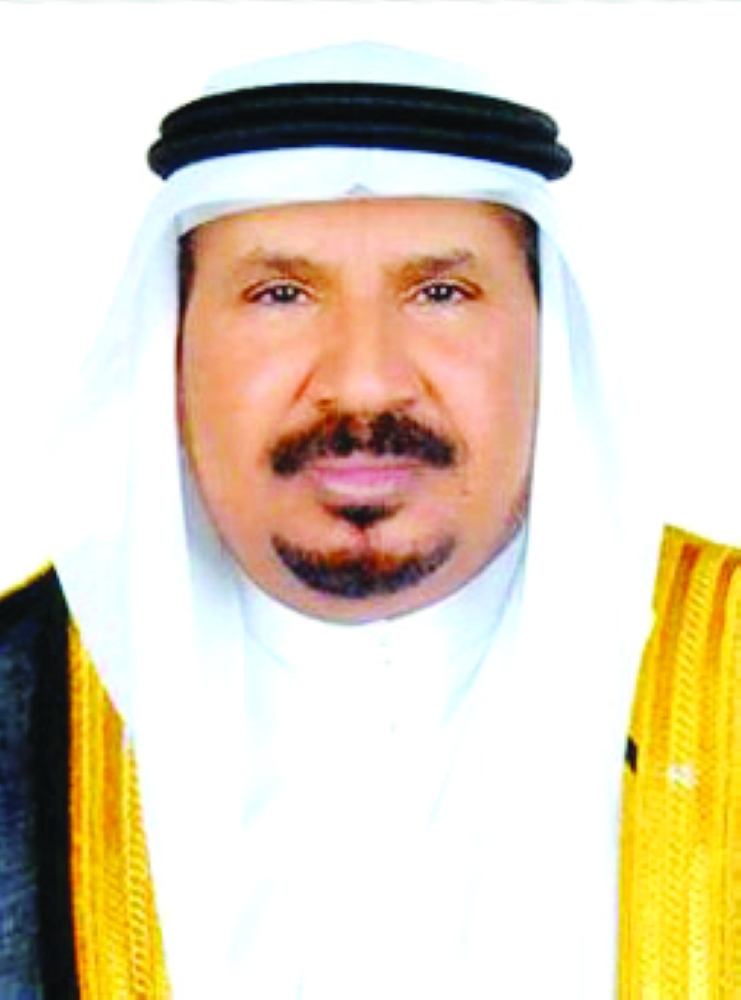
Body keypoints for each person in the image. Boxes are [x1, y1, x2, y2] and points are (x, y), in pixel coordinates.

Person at [1, 39, 736, 998]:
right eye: (279, 295)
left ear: (548, 341)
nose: (363, 381)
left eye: (440, 293)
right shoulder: (19, 700)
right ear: (172, 346)